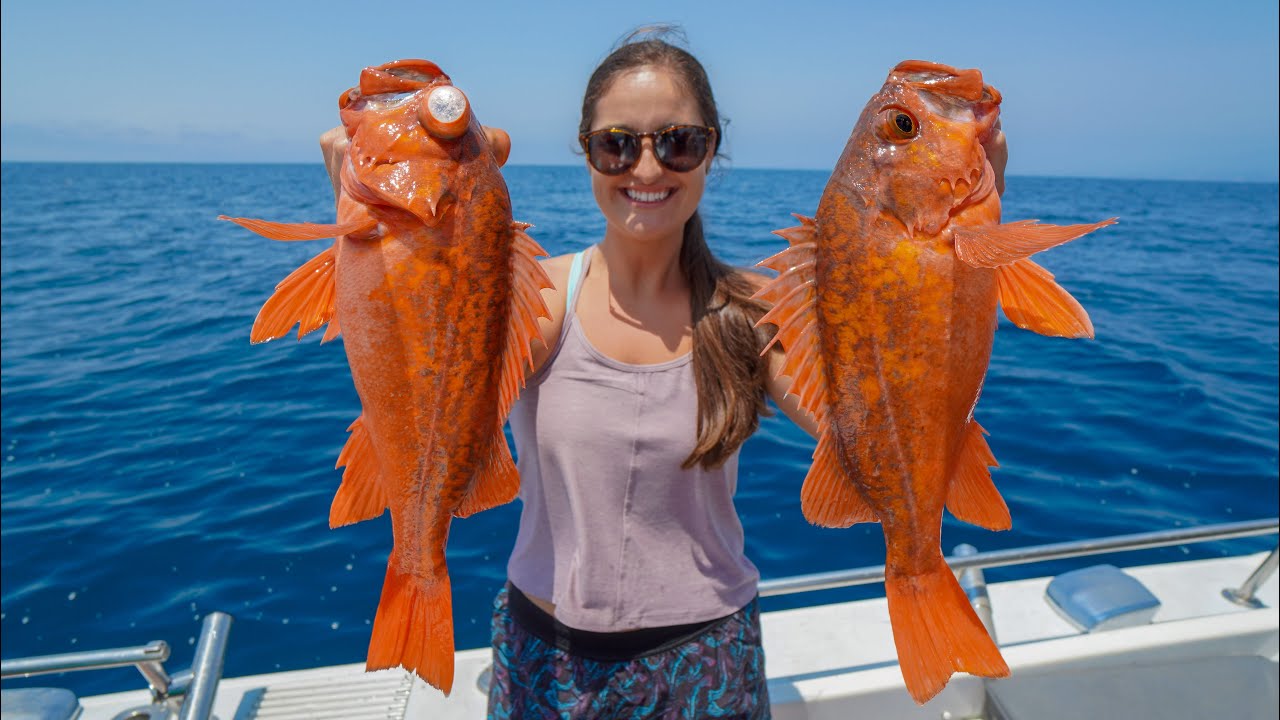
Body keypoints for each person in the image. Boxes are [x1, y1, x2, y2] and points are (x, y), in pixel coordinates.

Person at [322, 27, 1007, 719]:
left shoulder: (750, 313)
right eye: (616, 143)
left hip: (709, 653)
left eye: (677, 142)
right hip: (545, 654)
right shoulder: (535, 299)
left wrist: (962, 252)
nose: (646, 170)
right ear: (586, 154)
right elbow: (425, 365)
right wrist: (383, 225)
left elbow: (870, 425)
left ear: (712, 152)